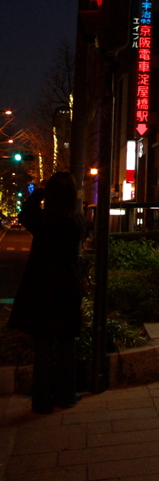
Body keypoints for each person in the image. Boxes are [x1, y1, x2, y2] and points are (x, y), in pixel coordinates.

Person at [9, 173, 84, 414]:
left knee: (43, 344)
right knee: (66, 342)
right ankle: (67, 395)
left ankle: (42, 401)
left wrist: (39, 192)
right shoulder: (77, 221)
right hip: (68, 285)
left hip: (42, 286)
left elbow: (24, 214)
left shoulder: (43, 219)